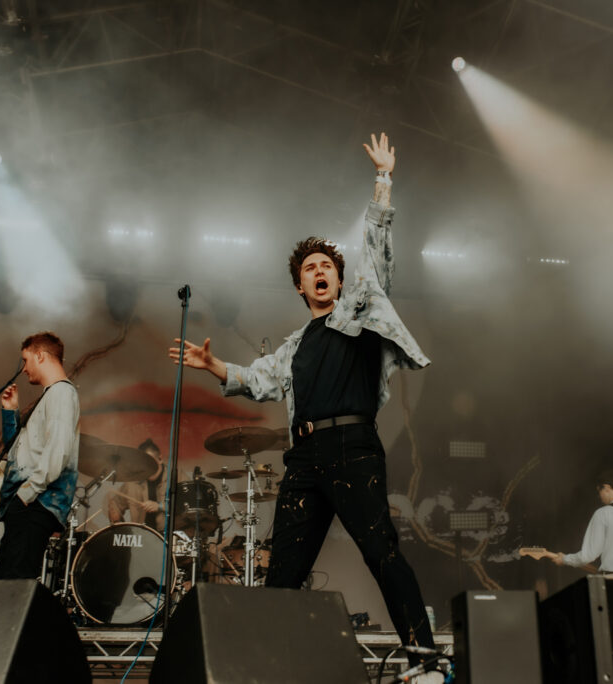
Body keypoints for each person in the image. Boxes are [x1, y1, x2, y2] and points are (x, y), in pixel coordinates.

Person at [170, 132, 440, 678]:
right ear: (299, 287)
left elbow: (377, 252)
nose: (319, 272)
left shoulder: (361, 312)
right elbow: (258, 380)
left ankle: (424, 658)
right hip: (306, 458)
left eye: (326, 266)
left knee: (381, 552)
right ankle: (269, 670)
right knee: (283, 575)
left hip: (354, 449)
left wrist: (383, 181)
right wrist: (213, 366)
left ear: (339, 279)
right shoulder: (294, 346)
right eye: (309, 270)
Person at [0, 331, 80, 580]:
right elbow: (19, 453)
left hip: (35, 503)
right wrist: (11, 413)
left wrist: (26, 495)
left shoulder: (62, 393)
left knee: (12, 585)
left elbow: (58, 452)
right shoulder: (51, 396)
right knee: (4, 583)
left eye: (26, 360)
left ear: (40, 356)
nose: (23, 368)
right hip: (28, 503)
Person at [106, 438, 164, 529]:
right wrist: (118, 522)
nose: (148, 466)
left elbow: (189, 505)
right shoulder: (133, 483)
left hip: (171, 538)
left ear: (160, 459)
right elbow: (116, 503)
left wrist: (160, 506)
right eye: (144, 463)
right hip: (141, 537)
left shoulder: (177, 477)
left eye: (151, 461)